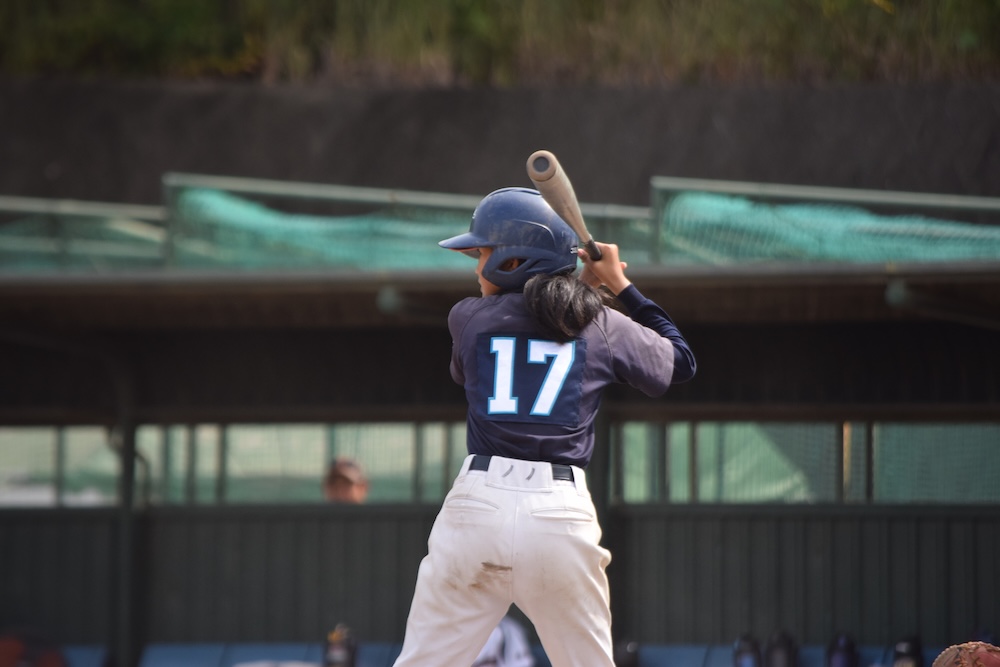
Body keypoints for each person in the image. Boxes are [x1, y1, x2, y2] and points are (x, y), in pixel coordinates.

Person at [391, 187, 696, 667]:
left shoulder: (467, 318)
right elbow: (680, 362)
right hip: (558, 511)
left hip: (478, 506)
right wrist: (618, 285)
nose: (476, 267)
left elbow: (487, 359)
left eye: (482, 253)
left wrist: (583, 293)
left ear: (512, 261)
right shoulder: (601, 323)